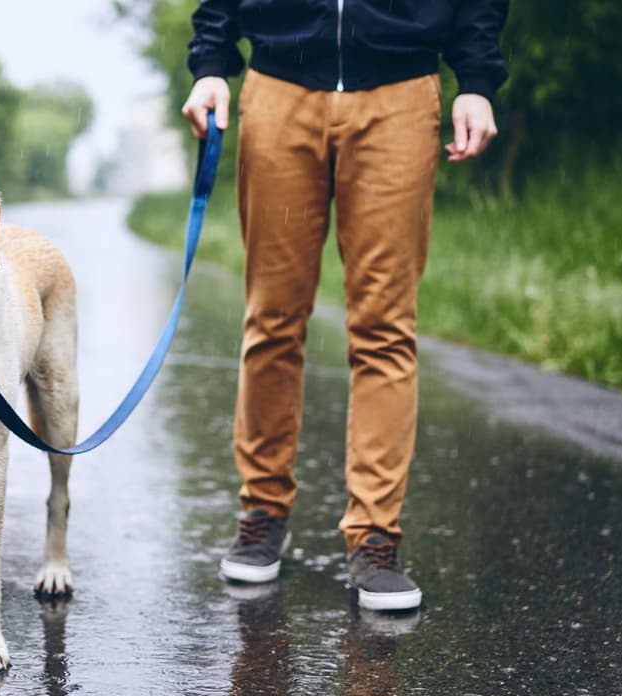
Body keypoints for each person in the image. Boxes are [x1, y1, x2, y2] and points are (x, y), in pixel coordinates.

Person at [181, 1, 508, 610]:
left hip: (402, 91)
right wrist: (210, 63)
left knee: (386, 327)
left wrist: (477, 78)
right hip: (279, 86)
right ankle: (262, 513)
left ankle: (377, 535)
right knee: (272, 320)